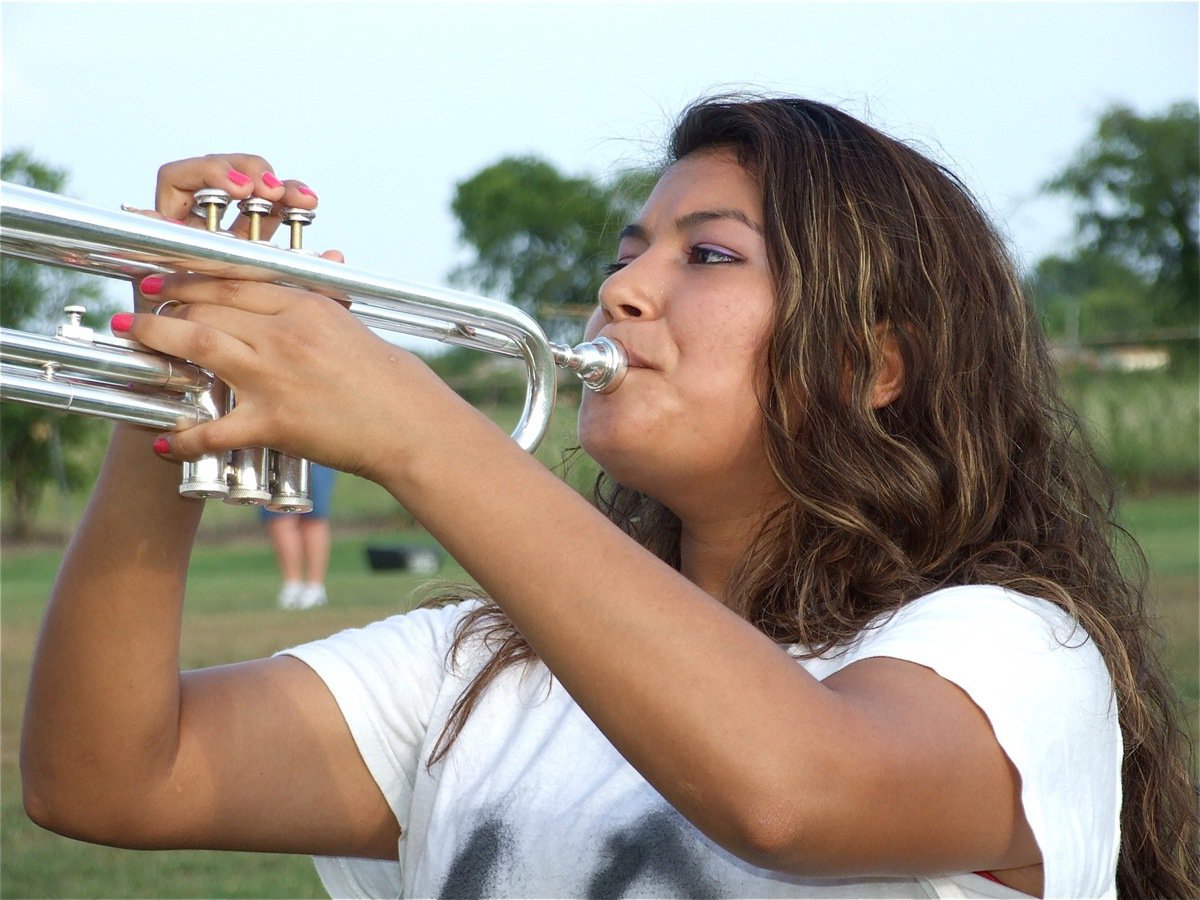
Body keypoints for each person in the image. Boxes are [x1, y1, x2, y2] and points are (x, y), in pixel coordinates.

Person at [18, 97, 1198, 898]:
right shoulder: (475, 672)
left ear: (873, 365)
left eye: (709, 255)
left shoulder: (1011, 652)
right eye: (629, 250)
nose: (621, 288)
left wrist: (423, 431)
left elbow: (792, 793)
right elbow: (107, 777)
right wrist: (178, 374)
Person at [262, 462, 337, 609]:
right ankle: (292, 586)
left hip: (316, 452)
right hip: (276, 450)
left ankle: (315, 588)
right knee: (279, 516)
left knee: (313, 517)